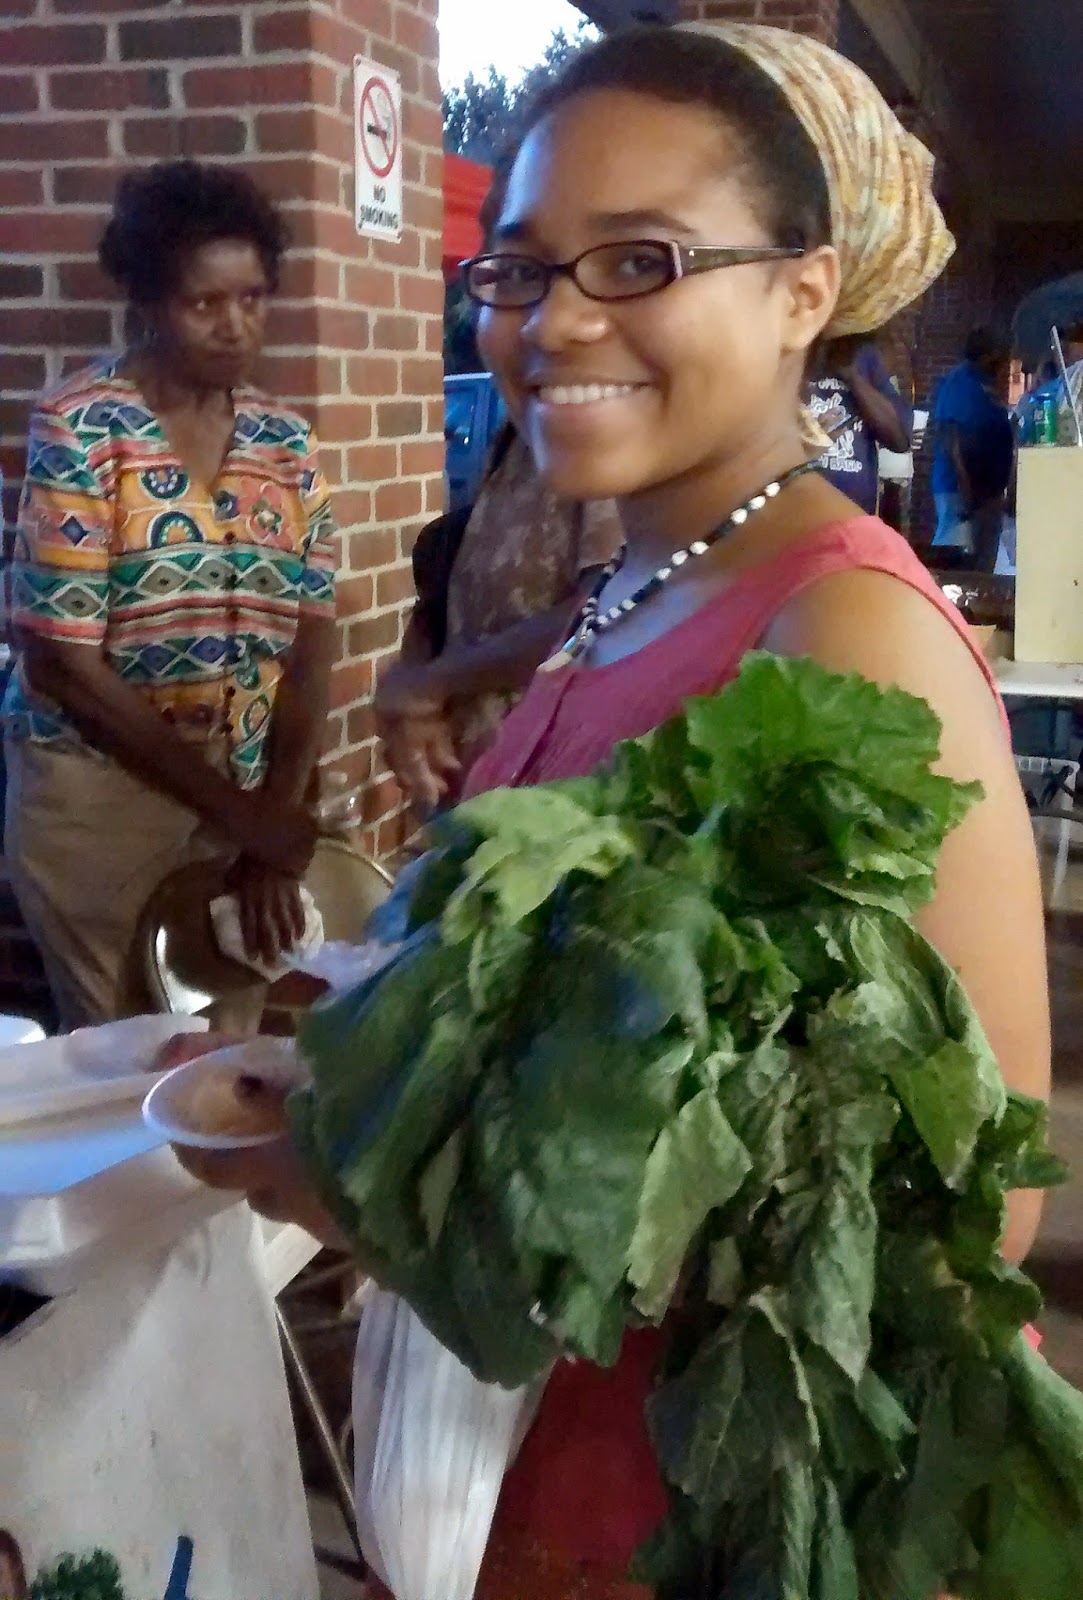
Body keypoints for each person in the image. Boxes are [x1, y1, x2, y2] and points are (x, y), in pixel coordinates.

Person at [168, 23, 1049, 1599]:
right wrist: (355, 1054)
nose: (553, 321)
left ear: (798, 292)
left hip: (693, 1513)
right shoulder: (641, 575)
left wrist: (371, 1179)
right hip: (531, 1451)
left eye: (637, 260)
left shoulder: (842, 635)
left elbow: (960, 1216)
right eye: (520, 269)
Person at [4, 161, 338, 1028]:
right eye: (204, 304)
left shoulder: (286, 444)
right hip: (98, 807)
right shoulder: (83, 426)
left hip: (242, 789)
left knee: (229, 1045)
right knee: (133, 1058)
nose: (235, 327)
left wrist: (275, 818)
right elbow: (61, 662)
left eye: (254, 299)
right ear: (149, 303)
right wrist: (244, 815)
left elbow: (310, 641)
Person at [375, 419, 621, 813]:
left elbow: (607, 611)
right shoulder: (521, 432)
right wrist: (418, 695)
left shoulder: (604, 437)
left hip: (551, 807)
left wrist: (431, 684)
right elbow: (473, 597)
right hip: (480, 794)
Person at [930, 325, 1015, 571]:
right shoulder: (959, 382)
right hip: (961, 489)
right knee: (957, 554)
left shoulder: (984, 384)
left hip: (986, 490)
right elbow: (950, 436)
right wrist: (965, 485)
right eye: (1001, 354)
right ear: (988, 355)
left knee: (981, 558)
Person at [807, 332, 912, 515]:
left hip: (854, 514)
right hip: (796, 512)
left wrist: (853, 377)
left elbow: (900, 439)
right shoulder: (787, 350)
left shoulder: (863, 355)